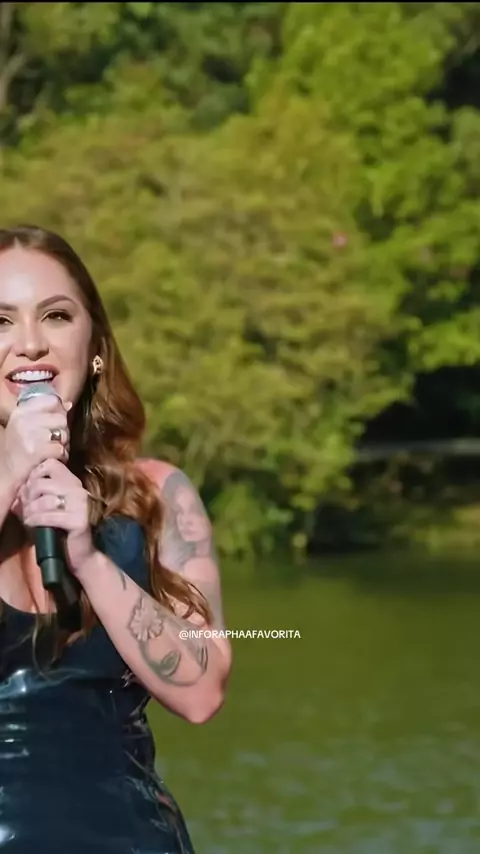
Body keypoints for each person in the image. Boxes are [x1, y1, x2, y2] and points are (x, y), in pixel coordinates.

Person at [0, 224, 232, 853]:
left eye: (56, 316)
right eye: (1, 321)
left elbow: (201, 692)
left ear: (95, 345)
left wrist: (89, 559)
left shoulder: (155, 495)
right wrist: (11, 468)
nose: (30, 342)